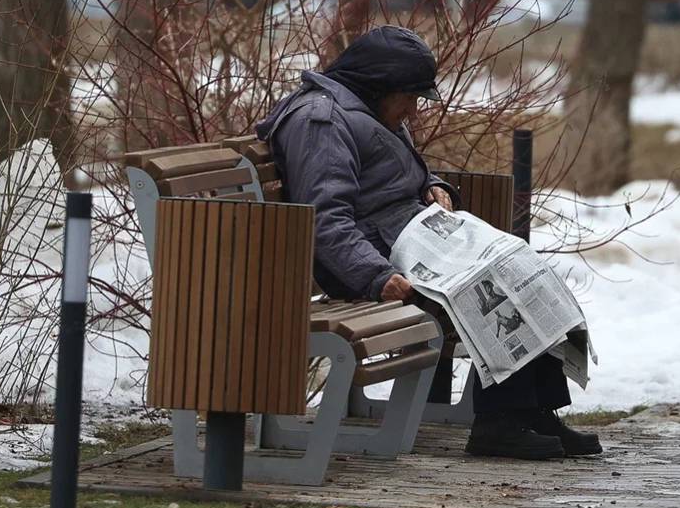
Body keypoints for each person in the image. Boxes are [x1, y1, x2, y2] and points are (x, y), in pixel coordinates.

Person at [256, 25, 601, 460]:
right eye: (411, 96)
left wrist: (434, 187)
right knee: (488, 289)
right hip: (373, 264)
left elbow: (391, 175)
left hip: (411, 239)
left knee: (523, 265)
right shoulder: (321, 121)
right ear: (381, 85)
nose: (414, 109)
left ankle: (533, 412)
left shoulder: (363, 109)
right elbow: (327, 220)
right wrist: (378, 277)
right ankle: (498, 423)